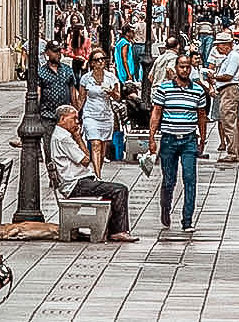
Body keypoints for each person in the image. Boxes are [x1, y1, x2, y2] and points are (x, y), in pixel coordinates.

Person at [50, 104, 137, 242]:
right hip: (75, 185)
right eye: (74, 119)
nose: (77, 122)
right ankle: (118, 231)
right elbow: (85, 160)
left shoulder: (63, 135)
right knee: (120, 190)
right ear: (62, 119)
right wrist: (78, 138)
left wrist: (77, 138)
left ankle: (112, 228)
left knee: (115, 189)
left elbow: (86, 158)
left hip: (78, 181)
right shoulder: (64, 138)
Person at [153, 48, 211, 230]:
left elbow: (202, 115)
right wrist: (151, 137)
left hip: (188, 140)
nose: (185, 70)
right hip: (169, 138)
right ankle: (165, 208)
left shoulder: (198, 91)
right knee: (169, 180)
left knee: (189, 178)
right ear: (176, 68)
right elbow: (156, 113)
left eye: (187, 67)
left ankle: (187, 220)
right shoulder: (164, 89)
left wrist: (202, 138)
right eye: (182, 67)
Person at [208, 31, 239, 163]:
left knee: (229, 121)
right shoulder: (229, 56)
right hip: (226, 90)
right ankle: (233, 150)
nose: (218, 48)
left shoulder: (234, 56)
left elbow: (228, 75)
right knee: (227, 120)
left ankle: (233, 152)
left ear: (227, 45)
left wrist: (213, 76)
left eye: (220, 45)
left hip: (230, 90)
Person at [80, 53, 122, 169]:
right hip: (90, 114)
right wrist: (76, 115)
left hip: (106, 115)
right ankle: (98, 177)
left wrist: (111, 92)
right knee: (95, 144)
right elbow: (81, 98)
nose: (100, 61)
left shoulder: (111, 77)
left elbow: (118, 97)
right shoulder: (86, 78)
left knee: (103, 147)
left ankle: (99, 170)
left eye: (103, 59)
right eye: (97, 60)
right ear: (92, 63)